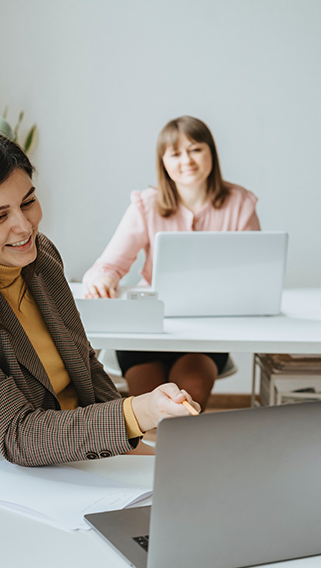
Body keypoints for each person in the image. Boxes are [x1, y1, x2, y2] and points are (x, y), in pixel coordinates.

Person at [0, 129, 200, 467]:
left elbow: (85, 365)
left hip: (70, 455)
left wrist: (131, 438)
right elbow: (17, 435)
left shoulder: (40, 258)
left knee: (187, 477)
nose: (24, 226)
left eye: (28, 201)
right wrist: (139, 411)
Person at [82, 116, 260, 410]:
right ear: (163, 162)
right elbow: (107, 266)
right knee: (153, 406)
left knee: (187, 400)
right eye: (175, 153)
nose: (186, 160)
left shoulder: (239, 203)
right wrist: (103, 279)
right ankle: (157, 455)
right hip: (149, 328)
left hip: (207, 331)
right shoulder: (146, 204)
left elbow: (254, 272)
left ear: (211, 153)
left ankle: (179, 454)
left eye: (195, 150)